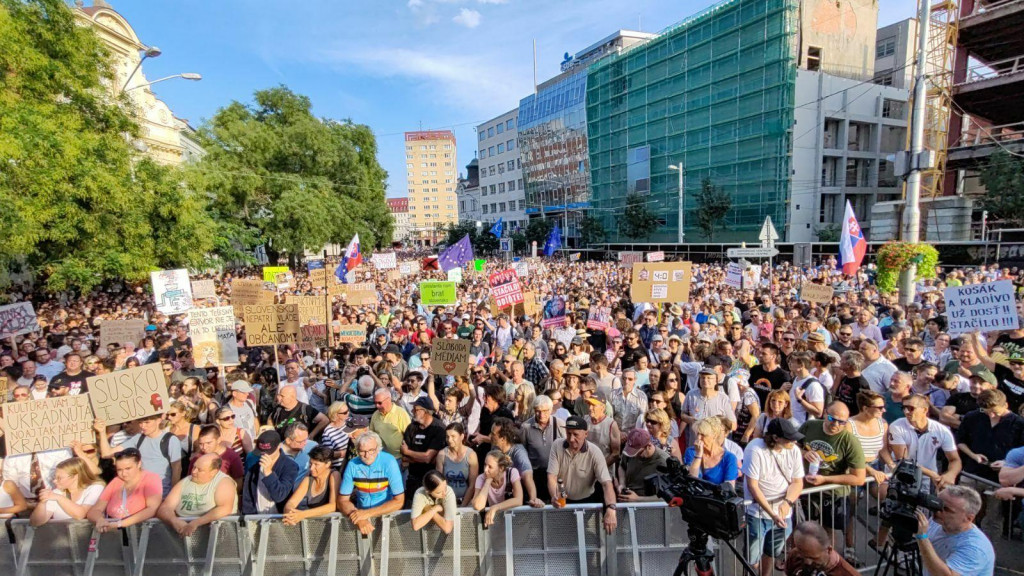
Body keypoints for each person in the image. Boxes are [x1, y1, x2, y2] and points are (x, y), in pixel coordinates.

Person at [743, 419, 806, 576]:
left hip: (783, 514)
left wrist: (787, 503)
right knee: (752, 559)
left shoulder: (794, 451)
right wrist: (772, 514)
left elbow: (797, 482)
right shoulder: (755, 448)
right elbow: (753, 486)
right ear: (776, 438)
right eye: (789, 438)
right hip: (757, 513)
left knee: (771, 552)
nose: (794, 441)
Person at [547, 415, 618, 534]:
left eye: (575, 434)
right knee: (562, 535)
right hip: (564, 500)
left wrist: (611, 509)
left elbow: (606, 483)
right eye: (568, 433)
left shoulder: (595, 452)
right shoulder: (557, 445)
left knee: (586, 534)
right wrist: (554, 495)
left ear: (586, 434)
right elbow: (551, 477)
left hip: (588, 501)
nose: (571, 438)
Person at [884, 394, 961, 491]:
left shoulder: (942, 430)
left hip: (927, 480)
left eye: (911, 408)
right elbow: (904, 460)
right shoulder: (897, 426)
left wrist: (951, 475)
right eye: (904, 408)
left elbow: (955, 459)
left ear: (925, 410)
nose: (906, 412)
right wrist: (933, 474)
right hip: (901, 476)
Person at [913, 485, 995, 576]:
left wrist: (922, 537)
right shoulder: (938, 521)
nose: (938, 511)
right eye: (937, 504)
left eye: (946, 509)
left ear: (968, 518)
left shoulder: (975, 547)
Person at [94, 413, 182, 497]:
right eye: (140, 422)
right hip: (140, 492)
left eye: (147, 422)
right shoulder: (139, 438)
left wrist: (172, 495)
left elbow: (177, 468)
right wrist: (102, 432)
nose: (143, 426)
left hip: (161, 493)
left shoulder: (170, 440)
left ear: (158, 420)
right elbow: (106, 454)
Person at [338, 432, 405, 536]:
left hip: (387, 517)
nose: (367, 455)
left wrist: (367, 513)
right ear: (357, 450)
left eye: (371, 450)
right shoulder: (353, 464)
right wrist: (358, 518)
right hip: (361, 520)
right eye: (362, 451)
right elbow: (342, 500)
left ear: (378, 448)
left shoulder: (389, 462)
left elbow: (399, 501)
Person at [157, 453, 237, 537]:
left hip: (215, 532)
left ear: (213, 472)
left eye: (200, 470)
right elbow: (165, 507)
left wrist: (195, 523)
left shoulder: (223, 482)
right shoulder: (185, 481)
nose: (194, 471)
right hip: (181, 531)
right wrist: (174, 521)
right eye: (194, 467)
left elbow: (225, 508)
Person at [86, 449, 162, 533]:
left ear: (139, 464)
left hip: (142, 532)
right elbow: (94, 510)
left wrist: (120, 524)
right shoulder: (116, 481)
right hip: (115, 533)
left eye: (128, 468)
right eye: (119, 470)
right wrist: (100, 520)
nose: (124, 473)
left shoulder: (151, 478)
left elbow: (152, 509)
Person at [956, 389, 1024, 482]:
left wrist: (1006, 462)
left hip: (1000, 479)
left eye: (995, 412)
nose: (991, 415)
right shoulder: (972, 417)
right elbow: (960, 441)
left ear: (1005, 405)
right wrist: (973, 455)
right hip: (972, 473)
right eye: (987, 412)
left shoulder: (1019, 424)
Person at [30, 457, 104, 526]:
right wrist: (42, 502)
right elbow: (36, 522)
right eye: (54, 477)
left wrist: (59, 498)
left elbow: (80, 515)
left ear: (75, 476)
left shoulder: (95, 488)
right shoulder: (56, 492)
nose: (55, 481)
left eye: (59, 478)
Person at [240, 430, 299, 515]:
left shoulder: (290, 466)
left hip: (280, 520)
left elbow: (280, 496)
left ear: (279, 446)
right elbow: (248, 498)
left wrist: (269, 473)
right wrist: (250, 520)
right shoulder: (254, 468)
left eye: (269, 452)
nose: (264, 455)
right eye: (261, 452)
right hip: (256, 519)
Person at [401, 396, 446, 502]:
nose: (412, 411)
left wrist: (408, 452)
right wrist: (420, 458)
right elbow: (404, 458)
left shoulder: (438, 429)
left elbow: (427, 458)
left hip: (432, 479)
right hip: (413, 478)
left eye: (416, 409)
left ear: (425, 411)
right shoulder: (411, 427)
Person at [520, 395, 564, 503]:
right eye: (538, 411)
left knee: (557, 503)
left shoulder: (560, 424)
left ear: (551, 410)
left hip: (556, 473)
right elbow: (522, 450)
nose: (541, 415)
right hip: (535, 475)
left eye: (545, 411)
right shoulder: (526, 427)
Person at [282, 446, 339, 525]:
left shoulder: (334, 475)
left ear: (328, 464)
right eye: (310, 463)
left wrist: (303, 514)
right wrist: (290, 514)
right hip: (312, 525)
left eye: (316, 464)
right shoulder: (308, 478)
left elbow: (332, 506)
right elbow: (291, 503)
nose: (311, 468)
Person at [784, 521, 861, 576]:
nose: (807, 562)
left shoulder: (847, 573)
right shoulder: (795, 555)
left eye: (814, 558)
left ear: (829, 549)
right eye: (803, 555)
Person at [472, 450, 524, 527]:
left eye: (490, 467)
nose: (485, 470)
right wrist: (487, 482)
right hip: (494, 521)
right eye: (485, 465)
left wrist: (495, 507)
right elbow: (478, 506)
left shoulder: (512, 472)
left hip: (515, 520)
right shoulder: (481, 478)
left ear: (501, 468)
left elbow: (519, 500)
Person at [683, 417, 738, 488]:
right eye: (697, 434)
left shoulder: (729, 458)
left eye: (703, 435)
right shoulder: (691, 452)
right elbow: (691, 481)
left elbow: (729, 487)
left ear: (714, 435)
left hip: (716, 498)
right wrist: (698, 455)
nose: (698, 438)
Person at [616, 428, 668, 500]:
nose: (633, 456)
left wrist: (638, 499)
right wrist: (622, 483)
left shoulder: (664, 462)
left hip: (649, 506)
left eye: (637, 453)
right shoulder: (630, 448)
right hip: (628, 497)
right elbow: (622, 466)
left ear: (648, 446)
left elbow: (667, 497)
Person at [436, 421, 479, 506]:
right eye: (447, 437)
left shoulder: (471, 455)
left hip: (465, 502)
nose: (449, 440)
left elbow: (472, 485)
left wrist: (463, 506)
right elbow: (439, 482)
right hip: (447, 501)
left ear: (462, 436)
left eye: (453, 436)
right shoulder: (442, 454)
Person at [370, 387, 412, 459]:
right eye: (375, 403)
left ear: (388, 399)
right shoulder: (375, 415)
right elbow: (372, 435)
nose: (377, 406)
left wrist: (406, 457)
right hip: (381, 457)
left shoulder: (401, 413)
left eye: (379, 403)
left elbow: (409, 437)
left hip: (398, 458)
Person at [320, 401, 352, 470]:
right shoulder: (328, 432)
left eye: (348, 411)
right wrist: (345, 453)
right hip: (340, 467)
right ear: (336, 415)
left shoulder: (351, 422)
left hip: (353, 462)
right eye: (345, 413)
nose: (348, 413)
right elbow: (328, 454)